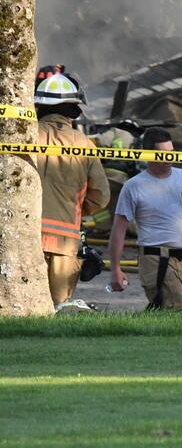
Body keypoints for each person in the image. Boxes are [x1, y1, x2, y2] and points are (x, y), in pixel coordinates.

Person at [108, 127, 182, 311]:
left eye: (171, 153)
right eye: (162, 154)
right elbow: (118, 230)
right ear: (149, 154)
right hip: (155, 258)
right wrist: (115, 269)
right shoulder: (134, 186)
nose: (169, 159)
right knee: (175, 308)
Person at [31, 70, 110, 308]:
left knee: (22, 307)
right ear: (74, 109)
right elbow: (101, 196)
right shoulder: (84, 144)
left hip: (25, 235)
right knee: (58, 307)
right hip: (64, 242)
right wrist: (73, 209)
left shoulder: (24, 137)